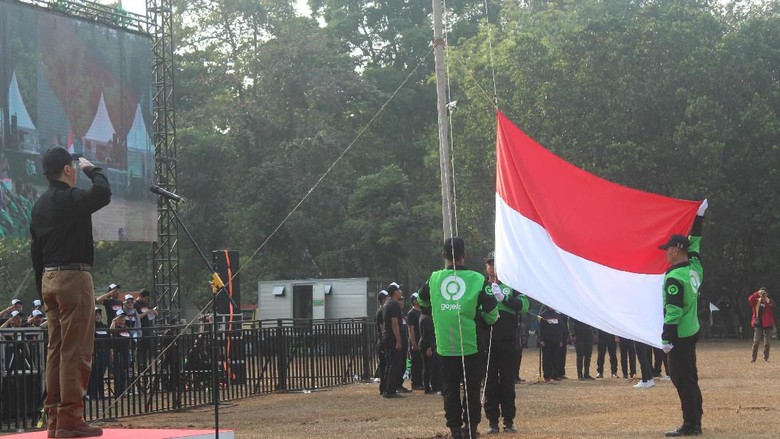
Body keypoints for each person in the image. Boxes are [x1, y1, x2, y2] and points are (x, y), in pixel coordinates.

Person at [30, 147, 110, 438]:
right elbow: (102, 194)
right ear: (67, 169)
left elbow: (35, 250)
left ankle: (53, 420)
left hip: (49, 279)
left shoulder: (39, 205)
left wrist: (41, 285)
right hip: (74, 277)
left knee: (56, 350)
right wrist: (94, 170)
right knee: (75, 350)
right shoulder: (70, 197)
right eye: (73, 167)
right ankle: (70, 419)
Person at [418, 237, 498, 439]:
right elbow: (492, 314)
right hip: (471, 345)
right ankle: (470, 428)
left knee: (450, 389)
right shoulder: (477, 279)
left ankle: (454, 429)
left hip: (445, 346)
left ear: (444, 255)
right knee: (471, 389)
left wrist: (435, 309)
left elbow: (421, 300)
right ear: (465, 255)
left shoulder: (434, 278)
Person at [660, 201, 706, 437]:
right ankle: (696, 416)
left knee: (682, 379)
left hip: (679, 335)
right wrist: (699, 217)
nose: (665, 253)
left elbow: (673, 311)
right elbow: (695, 244)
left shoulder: (675, 278)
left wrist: (666, 337)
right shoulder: (695, 268)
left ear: (677, 249)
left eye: (667, 249)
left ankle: (691, 424)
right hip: (692, 331)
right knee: (691, 376)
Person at [482, 251, 524, 434]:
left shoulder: (512, 283)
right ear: (486, 266)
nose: (493, 266)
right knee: (490, 381)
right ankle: (492, 421)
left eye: (496, 263)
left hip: (508, 339)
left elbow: (524, 305)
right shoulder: (480, 285)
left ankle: (509, 420)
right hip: (488, 340)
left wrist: (504, 298)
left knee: (507, 380)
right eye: (490, 263)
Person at [381, 284, 405, 398]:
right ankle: (390, 390)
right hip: (392, 338)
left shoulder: (386, 304)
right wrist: (398, 341)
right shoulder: (394, 304)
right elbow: (394, 324)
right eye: (399, 290)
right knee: (394, 364)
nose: (401, 292)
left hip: (387, 337)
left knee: (389, 364)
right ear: (395, 292)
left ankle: (386, 388)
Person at [538, 305, 565, 381]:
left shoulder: (558, 316)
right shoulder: (543, 315)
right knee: (547, 359)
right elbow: (541, 329)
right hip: (546, 341)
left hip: (556, 340)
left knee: (556, 358)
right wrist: (541, 340)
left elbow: (560, 329)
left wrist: (560, 340)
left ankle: (555, 375)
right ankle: (547, 375)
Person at [418, 305, 440, 394]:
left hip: (424, 345)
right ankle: (428, 387)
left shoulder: (422, 317)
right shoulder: (427, 319)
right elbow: (427, 334)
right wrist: (429, 348)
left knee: (427, 367)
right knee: (428, 367)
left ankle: (428, 386)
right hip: (427, 346)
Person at [749, 287, 775, 362]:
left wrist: (766, 300)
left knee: (767, 342)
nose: (763, 294)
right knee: (756, 341)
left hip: (768, 323)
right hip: (758, 323)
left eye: (765, 293)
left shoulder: (769, 301)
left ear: (767, 294)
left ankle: (765, 358)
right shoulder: (756, 301)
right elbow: (750, 299)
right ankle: (753, 358)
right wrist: (757, 293)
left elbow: (772, 305)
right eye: (762, 293)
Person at [407, 292, 424, 390]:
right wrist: (413, 342)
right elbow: (410, 328)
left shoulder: (421, 312)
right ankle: (415, 382)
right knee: (416, 363)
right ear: (414, 301)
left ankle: (421, 381)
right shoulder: (411, 313)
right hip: (415, 341)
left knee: (421, 363)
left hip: (421, 341)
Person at [374, 290, 388, 390]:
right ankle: (383, 387)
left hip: (383, 341)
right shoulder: (381, 311)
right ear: (383, 299)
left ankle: (386, 386)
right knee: (383, 365)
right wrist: (385, 339)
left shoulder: (384, 310)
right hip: (383, 342)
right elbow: (382, 327)